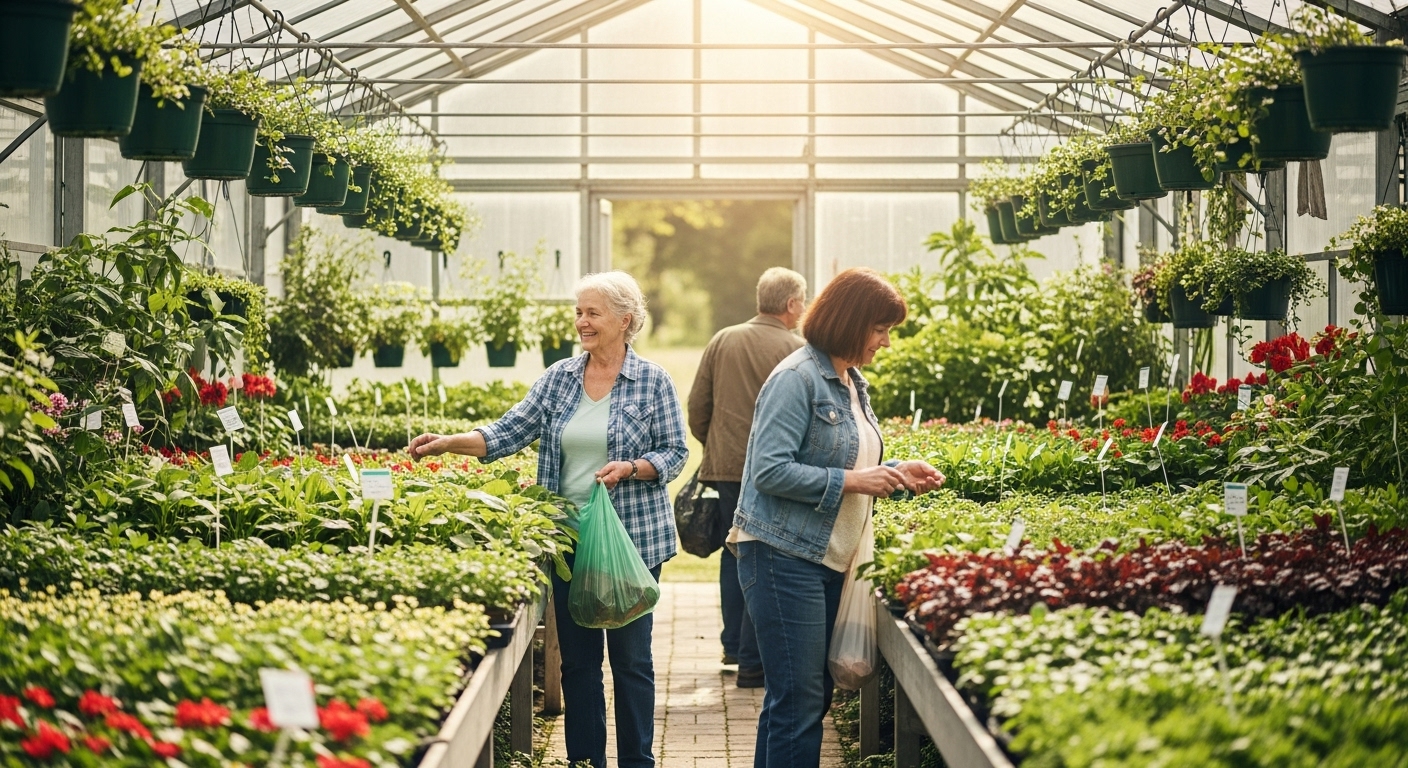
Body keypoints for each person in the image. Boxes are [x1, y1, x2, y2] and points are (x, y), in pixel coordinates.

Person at [408, 271, 688, 768]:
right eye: (579, 312)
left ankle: (637, 762)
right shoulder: (560, 378)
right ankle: (586, 762)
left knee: (632, 663)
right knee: (579, 664)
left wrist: (633, 468)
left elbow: (675, 452)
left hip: (632, 544)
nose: (581, 322)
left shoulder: (653, 381)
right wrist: (450, 441)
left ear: (625, 320)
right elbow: (507, 431)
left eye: (592, 313)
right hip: (569, 543)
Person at [731, 267, 945, 768]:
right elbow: (769, 471)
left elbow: (843, 460)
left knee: (800, 701)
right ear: (851, 321)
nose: (886, 343)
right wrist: (855, 481)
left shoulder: (849, 381)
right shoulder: (797, 378)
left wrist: (893, 470)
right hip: (782, 557)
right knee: (800, 702)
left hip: (825, 558)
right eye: (880, 329)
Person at [687, 267, 807, 689]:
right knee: (766, 553)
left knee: (732, 550)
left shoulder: (724, 339)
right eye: (802, 301)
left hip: (726, 468)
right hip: (777, 472)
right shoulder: (798, 350)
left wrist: (717, 444)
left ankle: (733, 648)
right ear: (791, 304)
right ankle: (754, 657)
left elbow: (698, 405)